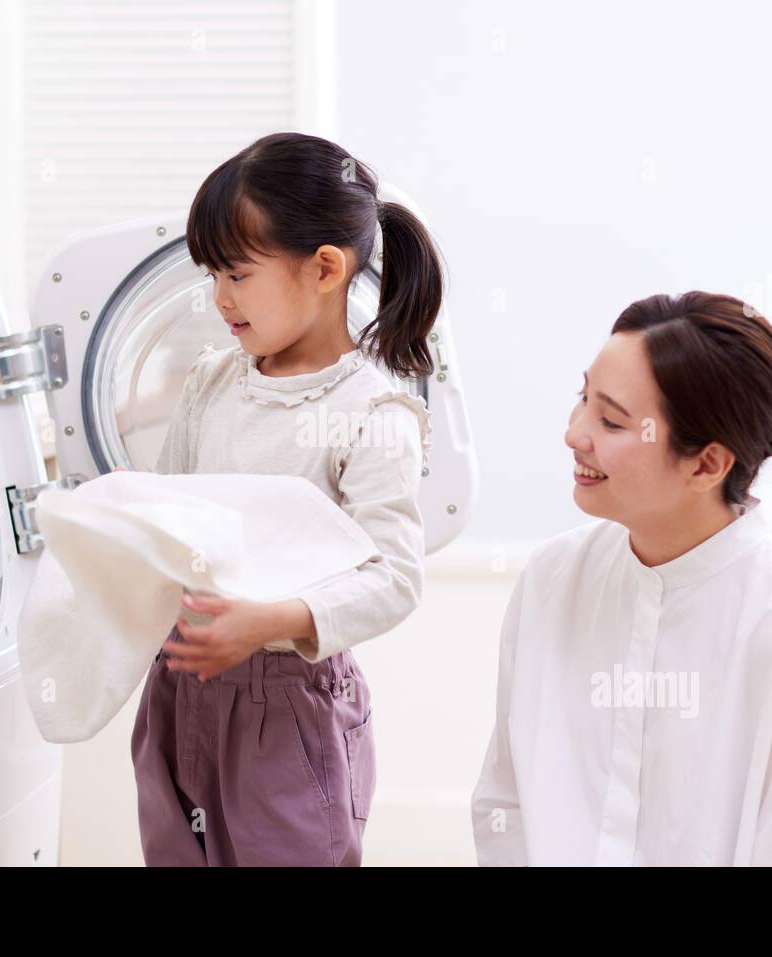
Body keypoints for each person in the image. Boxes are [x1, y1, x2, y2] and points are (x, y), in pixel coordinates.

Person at [471, 291, 772, 866]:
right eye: (583, 399)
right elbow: (506, 803)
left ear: (707, 464)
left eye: (611, 420)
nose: (575, 434)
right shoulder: (553, 581)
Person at [132, 132, 441, 866]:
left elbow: (395, 577)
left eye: (237, 272)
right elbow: (164, 513)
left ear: (326, 268)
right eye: (211, 274)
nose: (219, 298)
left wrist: (268, 621)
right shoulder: (213, 383)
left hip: (286, 703)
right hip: (182, 684)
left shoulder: (372, 412)